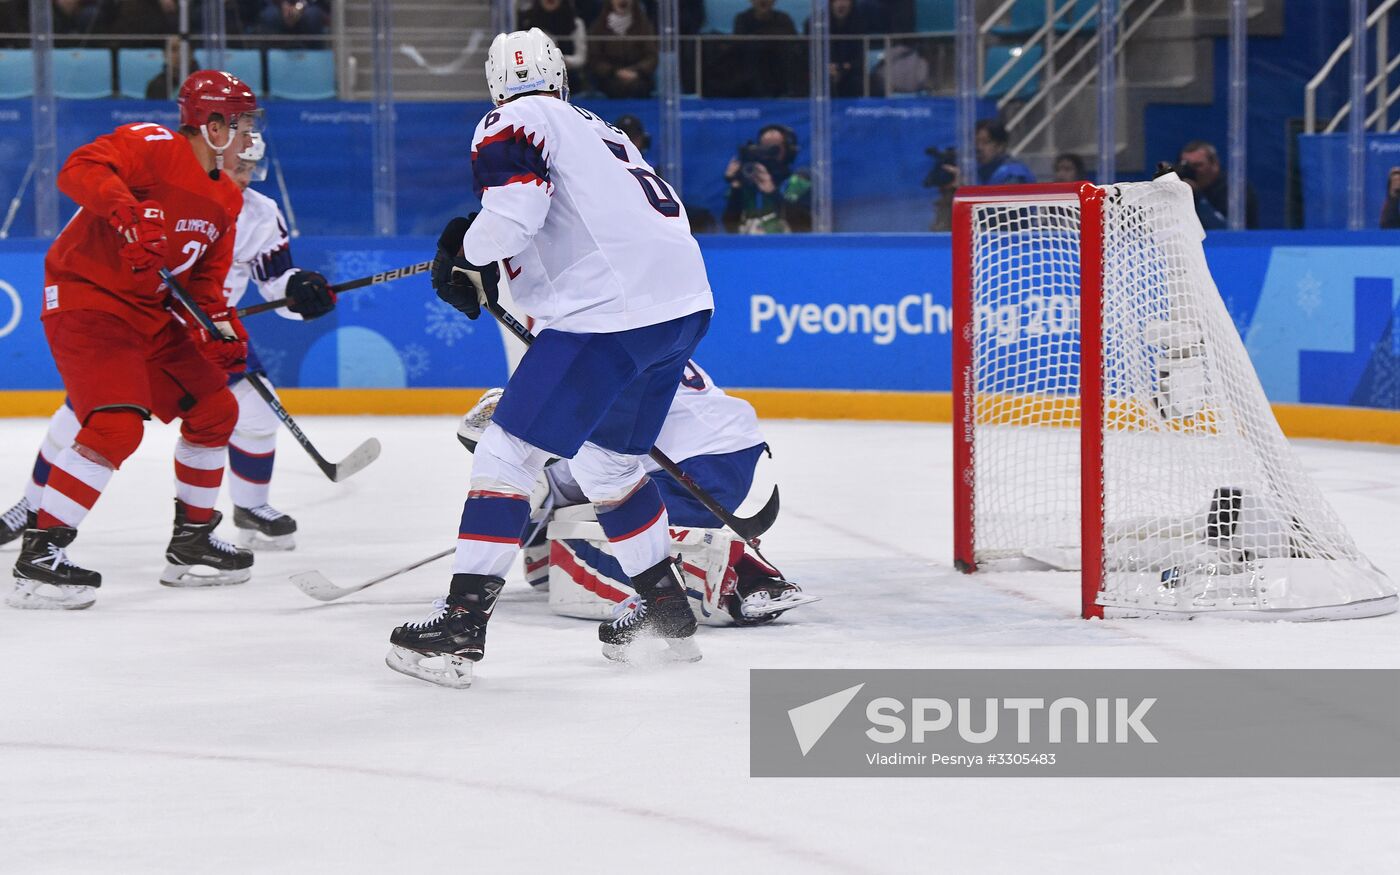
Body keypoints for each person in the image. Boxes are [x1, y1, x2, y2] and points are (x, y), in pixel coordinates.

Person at [385, 28, 714, 688]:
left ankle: (459, 626)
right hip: (684, 308)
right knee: (608, 458)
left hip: (608, 314)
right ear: (560, 76)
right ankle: (665, 608)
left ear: (494, 86)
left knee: (506, 452)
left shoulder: (510, 118)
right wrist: (475, 250)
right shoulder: (597, 129)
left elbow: (517, 210)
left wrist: (470, 256)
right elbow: (567, 218)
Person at [0, 132, 335, 554]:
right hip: (141, 325)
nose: (244, 177)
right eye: (237, 166)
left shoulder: (259, 214)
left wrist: (301, 292)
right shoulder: (164, 186)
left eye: (250, 168)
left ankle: (251, 507)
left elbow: (276, 284)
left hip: (210, 330)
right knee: (84, 420)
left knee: (251, 411)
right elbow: (93, 239)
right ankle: (32, 508)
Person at [7, 70, 261, 610]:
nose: (249, 136)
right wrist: (124, 212)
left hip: (149, 315)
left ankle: (191, 542)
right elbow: (79, 168)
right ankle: (40, 558)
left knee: (216, 409)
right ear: (211, 124)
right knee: (116, 424)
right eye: (240, 123)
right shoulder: (152, 144)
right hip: (86, 299)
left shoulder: (228, 200)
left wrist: (219, 329)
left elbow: (204, 286)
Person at [456, 361, 815, 627]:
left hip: (691, 462)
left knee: (627, 545)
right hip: (729, 445)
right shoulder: (608, 337)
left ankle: (747, 576)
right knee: (604, 517)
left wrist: (493, 550)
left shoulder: (535, 453)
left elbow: (521, 500)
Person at [722, 123, 812, 234]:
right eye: (764, 146)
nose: (768, 152)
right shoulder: (748, 181)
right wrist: (736, 186)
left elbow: (804, 224)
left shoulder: (798, 182)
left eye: (774, 148)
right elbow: (729, 225)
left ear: (789, 152)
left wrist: (772, 192)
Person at [1177, 139, 1257, 229]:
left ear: (1215, 164)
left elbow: (1227, 230)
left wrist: (1198, 197)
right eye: (1186, 166)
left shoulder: (1234, 190)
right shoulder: (1179, 187)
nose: (1191, 171)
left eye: (1197, 165)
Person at [586, 0, 657, 98]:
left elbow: (651, 56)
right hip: (609, 78)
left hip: (639, 77)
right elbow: (594, 59)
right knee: (614, 88)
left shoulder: (644, 25)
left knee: (638, 88)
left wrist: (637, 71)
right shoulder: (598, 27)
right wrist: (615, 71)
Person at [734, 0, 803, 98]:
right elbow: (739, 46)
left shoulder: (783, 18)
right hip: (753, 65)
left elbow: (793, 42)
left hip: (780, 63)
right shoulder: (742, 19)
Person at [807, 0, 869, 98]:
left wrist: (844, 68)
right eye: (836, 0)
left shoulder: (860, 22)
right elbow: (808, 53)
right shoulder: (816, 23)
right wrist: (826, 67)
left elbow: (859, 56)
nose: (841, 4)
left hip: (851, 73)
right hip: (821, 71)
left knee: (857, 82)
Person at [519, 0, 588, 80]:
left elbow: (581, 58)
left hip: (569, 76)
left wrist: (563, 60)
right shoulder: (527, 23)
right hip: (534, 76)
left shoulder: (575, 23)